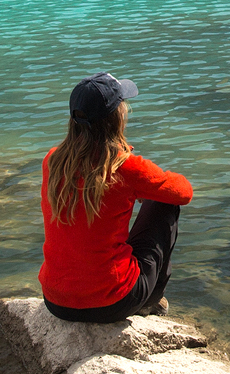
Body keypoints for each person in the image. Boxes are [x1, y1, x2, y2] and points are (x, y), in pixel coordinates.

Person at [38, 71, 192, 323]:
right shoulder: (125, 167)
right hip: (111, 303)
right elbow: (184, 192)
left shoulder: (53, 161)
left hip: (56, 301)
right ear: (116, 117)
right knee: (166, 203)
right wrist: (142, 188)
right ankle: (150, 300)